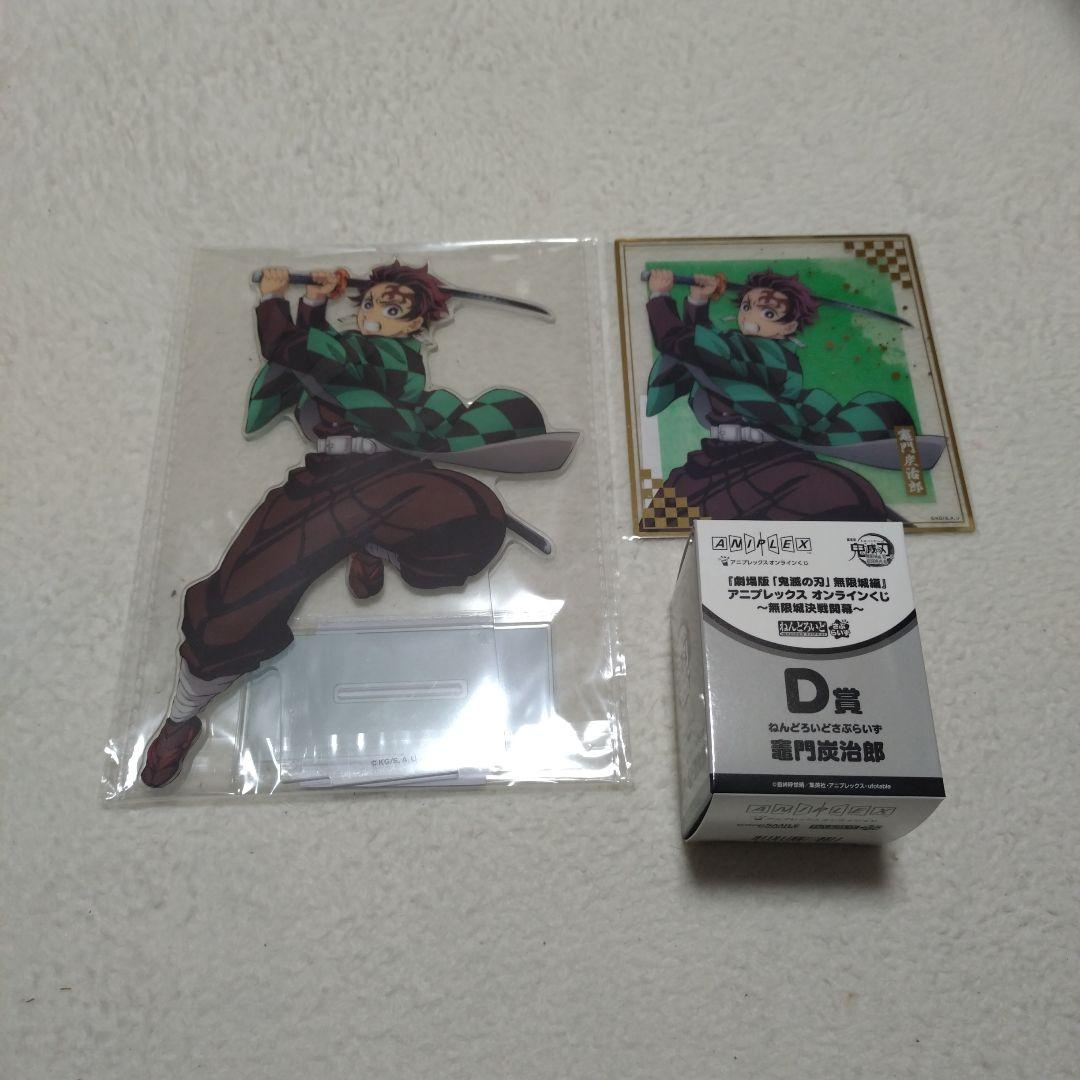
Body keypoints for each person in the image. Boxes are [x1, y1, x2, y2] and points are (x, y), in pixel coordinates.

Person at [141, 262, 561, 787]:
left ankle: (378, 546)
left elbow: (300, 351)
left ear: (415, 325)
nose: (374, 314)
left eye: (393, 308)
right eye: (368, 303)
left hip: (388, 476)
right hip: (326, 479)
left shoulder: (391, 358)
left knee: (469, 516)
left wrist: (273, 298)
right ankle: (180, 720)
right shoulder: (350, 352)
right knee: (238, 599)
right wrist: (314, 300)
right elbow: (312, 360)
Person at [645, 267, 920, 521]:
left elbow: (691, 346)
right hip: (722, 450)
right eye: (746, 306)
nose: (749, 316)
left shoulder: (770, 356)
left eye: (768, 313)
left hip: (763, 450)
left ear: (788, 328)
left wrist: (660, 295)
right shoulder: (740, 350)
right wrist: (698, 301)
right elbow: (705, 355)